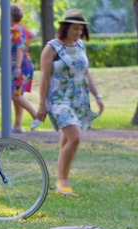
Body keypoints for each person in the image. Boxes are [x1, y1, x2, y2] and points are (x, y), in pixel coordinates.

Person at [35, 9, 104, 195]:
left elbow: (86, 73)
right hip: (58, 99)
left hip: (78, 99)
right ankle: (62, 181)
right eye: (75, 28)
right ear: (65, 28)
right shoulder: (52, 47)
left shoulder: (80, 45)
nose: (78, 32)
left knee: (68, 140)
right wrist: (42, 104)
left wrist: (98, 96)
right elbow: (44, 78)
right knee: (75, 137)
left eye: (81, 29)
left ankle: (62, 182)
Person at [9, 5, 39, 133]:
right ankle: (17, 125)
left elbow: (20, 48)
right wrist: (26, 46)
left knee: (13, 94)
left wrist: (17, 67)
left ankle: (36, 116)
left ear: (10, 17)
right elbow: (31, 36)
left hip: (20, 66)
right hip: (24, 64)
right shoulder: (21, 27)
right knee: (17, 94)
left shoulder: (16, 30)